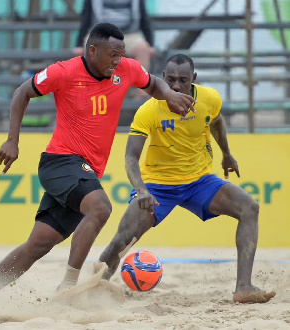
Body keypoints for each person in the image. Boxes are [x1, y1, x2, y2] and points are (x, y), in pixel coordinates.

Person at [0, 24, 195, 296]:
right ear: (93, 50)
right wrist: (13, 140)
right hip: (60, 162)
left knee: (38, 245)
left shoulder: (126, 69)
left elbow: (154, 83)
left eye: (121, 54)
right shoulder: (64, 72)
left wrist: (168, 94)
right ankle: (69, 285)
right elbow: (21, 92)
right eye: (112, 54)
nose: (117, 61)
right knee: (100, 207)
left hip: (84, 172)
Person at [99, 54, 276, 304]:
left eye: (183, 80)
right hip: (157, 186)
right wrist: (141, 190)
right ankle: (93, 285)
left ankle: (244, 287)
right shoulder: (149, 110)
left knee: (249, 207)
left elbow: (216, 121)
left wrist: (227, 154)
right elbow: (130, 156)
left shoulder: (209, 98)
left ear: (194, 79)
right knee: (122, 237)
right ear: (162, 78)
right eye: (170, 79)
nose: (176, 86)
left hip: (199, 181)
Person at [73, 0, 156, 98]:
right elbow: (86, 18)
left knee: (143, 49)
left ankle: (141, 95)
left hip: (129, 34)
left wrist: (150, 44)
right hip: (100, 33)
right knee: (93, 49)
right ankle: (92, 91)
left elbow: (144, 17)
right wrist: (78, 45)